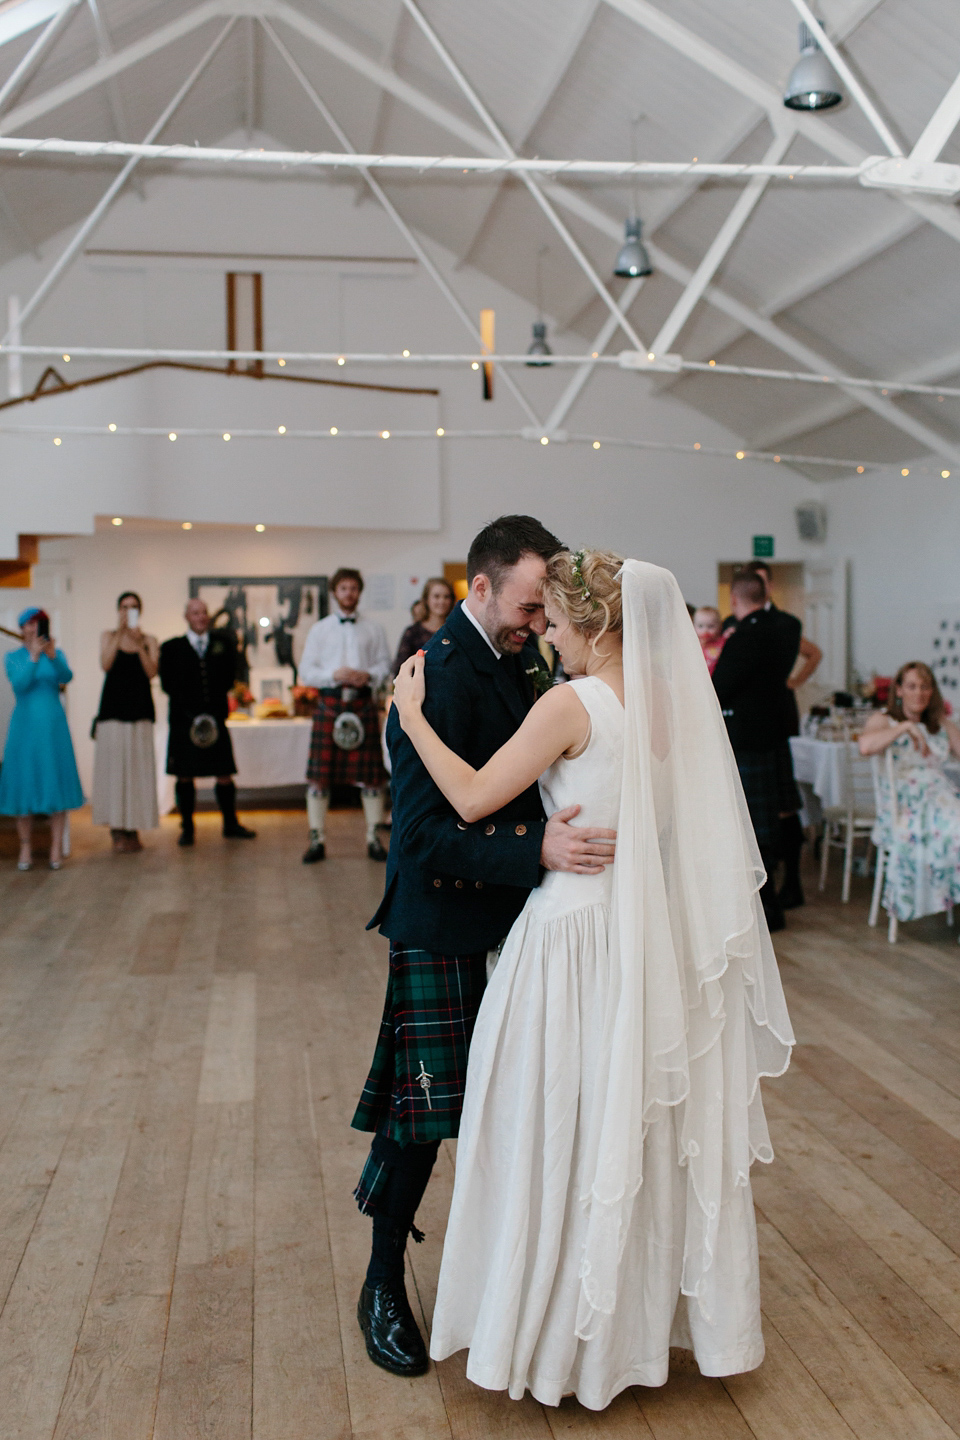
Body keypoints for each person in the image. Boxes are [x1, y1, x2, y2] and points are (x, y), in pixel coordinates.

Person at [391, 551, 793, 1408]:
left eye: (560, 624)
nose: (549, 638)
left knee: (546, 1125)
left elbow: (467, 798)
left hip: (569, 938)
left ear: (598, 625)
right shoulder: (667, 711)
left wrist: (413, 715)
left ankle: (549, 1337)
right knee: (622, 1131)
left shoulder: (569, 704)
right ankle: (619, 1336)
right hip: (639, 942)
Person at [351, 517, 618, 1382]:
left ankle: (519, 1284)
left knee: (519, 1109)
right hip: (444, 919)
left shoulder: (525, 656)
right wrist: (532, 849)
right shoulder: (430, 677)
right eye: (529, 607)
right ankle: (382, 1283)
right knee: (426, 1115)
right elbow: (422, 836)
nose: (539, 626)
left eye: (547, 613)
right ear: (479, 586)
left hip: (527, 922)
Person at [712, 573, 801, 931]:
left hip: (746, 737)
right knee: (775, 816)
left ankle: (767, 907)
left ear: (735, 600)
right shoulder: (786, 628)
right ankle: (779, 895)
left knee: (752, 826)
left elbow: (719, 688)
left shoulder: (744, 637)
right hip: (774, 731)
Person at [299, 568, 392, 863]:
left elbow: (385, 667)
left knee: (371, 779)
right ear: (334, 592)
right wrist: (333, 674)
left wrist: (368, 675)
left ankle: (374, 839)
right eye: (343, 588)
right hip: (330, 704)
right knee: (318, 779)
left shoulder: (374, 629)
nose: (348, 593)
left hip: (362, 704)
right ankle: (317, 840)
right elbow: (305, 673)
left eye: (353, 588)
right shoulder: (320, 629)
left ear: (359, 592)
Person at [859, 661, 960, 922]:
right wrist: (904, 727)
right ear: (900, 690)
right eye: (912, 686)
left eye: (925, 686)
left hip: (942, 797)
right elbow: (866, 746)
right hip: (906, 807)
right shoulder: (884, 719)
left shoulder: (941, 724)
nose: (919, 693)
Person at [159, 598, 256, 846]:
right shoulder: (171, 647)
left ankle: (230, 824)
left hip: (215, 718)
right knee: (184, 776)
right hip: (183, 721)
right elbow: (167, 685)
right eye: (195, 613)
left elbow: (229, 678)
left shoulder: (223, 643)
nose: (201, 617)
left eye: (204, 612)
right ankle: (187, 828)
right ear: (186, 617)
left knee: (224, 772)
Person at [0, 607, 84, 869]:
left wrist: (52, 656)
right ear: (22, 627)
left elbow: (66, 677)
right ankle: (25, 848)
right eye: (31, 624)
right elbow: (20, 684)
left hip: (53, 727)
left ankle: (55, 847)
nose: (35, 629)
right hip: (25, 728)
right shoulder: (12, 656)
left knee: (55, 781)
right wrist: (34, 657)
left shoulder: (56, 654)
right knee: (25, 783)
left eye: (41, 624)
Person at [93, 591, 159, 853]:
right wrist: (121, 634)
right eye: (124, 607)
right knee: (114, 771)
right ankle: (116, 828)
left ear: (139, 611)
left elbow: (151, 672)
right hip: (112, 712)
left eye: (132, 607)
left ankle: (135, 827)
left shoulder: (150, 640)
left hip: (140, 711)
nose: (127, 610)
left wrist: (139, 642)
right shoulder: (108, 637)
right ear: (117, 610)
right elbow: (106, 664)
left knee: (137, 772)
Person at [392, 578, 455, 675]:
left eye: (446, 597)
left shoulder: (456, 630)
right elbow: (400, 668)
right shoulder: (413, 632)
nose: (442, 601)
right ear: (426, 600)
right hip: (419, 688)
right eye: (436, 596)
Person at [693, 605, 727, 673]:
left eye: (710, 626)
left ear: (720, 627)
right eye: (700, 626)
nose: (705, 630)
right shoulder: (694, 644)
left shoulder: (723, 642)